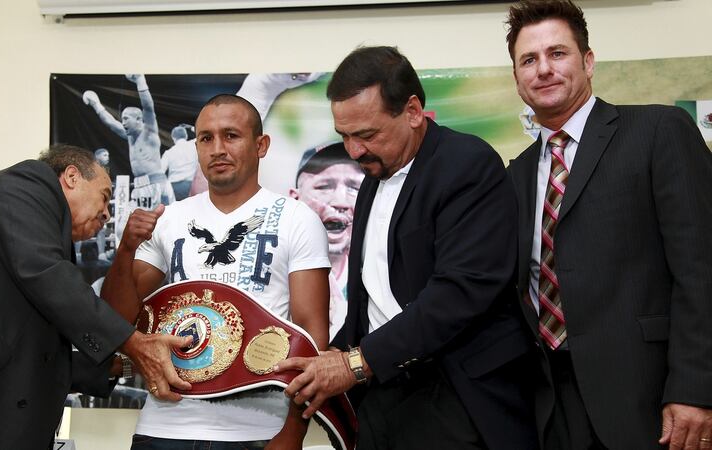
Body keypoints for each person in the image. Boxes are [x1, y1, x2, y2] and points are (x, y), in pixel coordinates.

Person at [275, 46, 537, 450]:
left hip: (455, 397)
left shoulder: (467, 164)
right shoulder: (371, 179)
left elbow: (457, 294)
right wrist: (324, 358)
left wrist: (353, 363)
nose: (354, 151)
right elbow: (372, 302)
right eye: (344, 136)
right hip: (382, 397)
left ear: (413, 111)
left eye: (366, 134)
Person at [504, 1, 712, 449]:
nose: (543, 69)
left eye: (557, 53)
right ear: (517, 79)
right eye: (528, 60)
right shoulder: (516, 173)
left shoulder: (658, 131)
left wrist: (696, 390)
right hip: (551, 404)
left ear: (588, 60)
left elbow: (702, 270)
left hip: (649, 397)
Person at [0, 145, 192, 450]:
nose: (107, 213)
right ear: (72, 176)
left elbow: (46, 358)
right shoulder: (27, 183)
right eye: (105, 196)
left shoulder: (48, 253)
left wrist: (131, 364)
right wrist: (136, 343)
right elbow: (44, 271)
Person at [101, 94, 331, 450]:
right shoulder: (169, 218)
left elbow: (312, 337)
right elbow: (117, 317)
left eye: (231, 135)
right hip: (164, 426)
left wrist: (293, 432)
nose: (217, 148)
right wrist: (126, 249)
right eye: (206, 138)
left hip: (256, 430)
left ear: (261, 145)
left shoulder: (296, 218)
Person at [289, 142, 364, 343]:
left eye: (354, 187)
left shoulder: (378, 276)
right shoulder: (271, 272)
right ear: (295, 199)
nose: (340, 201)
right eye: (324, 186)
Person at [83, 74, 175, 210]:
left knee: (162, 226)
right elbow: (111, 123)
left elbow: (148, 107)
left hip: (156, 184)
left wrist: (140, 81)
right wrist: (96, 104)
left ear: (138, 119)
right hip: (140, 187)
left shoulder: (149, 132)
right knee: (136, 227)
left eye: (126, 119)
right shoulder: (130, 136)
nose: (123, 122)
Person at [160, 124, 197, 201]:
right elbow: (202, 133)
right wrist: (191, 128)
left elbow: (160, 172)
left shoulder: (168, 152)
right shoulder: (194, 145)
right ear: (186, 136)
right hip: (192, 186)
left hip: (174, 187)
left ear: (173, 138)